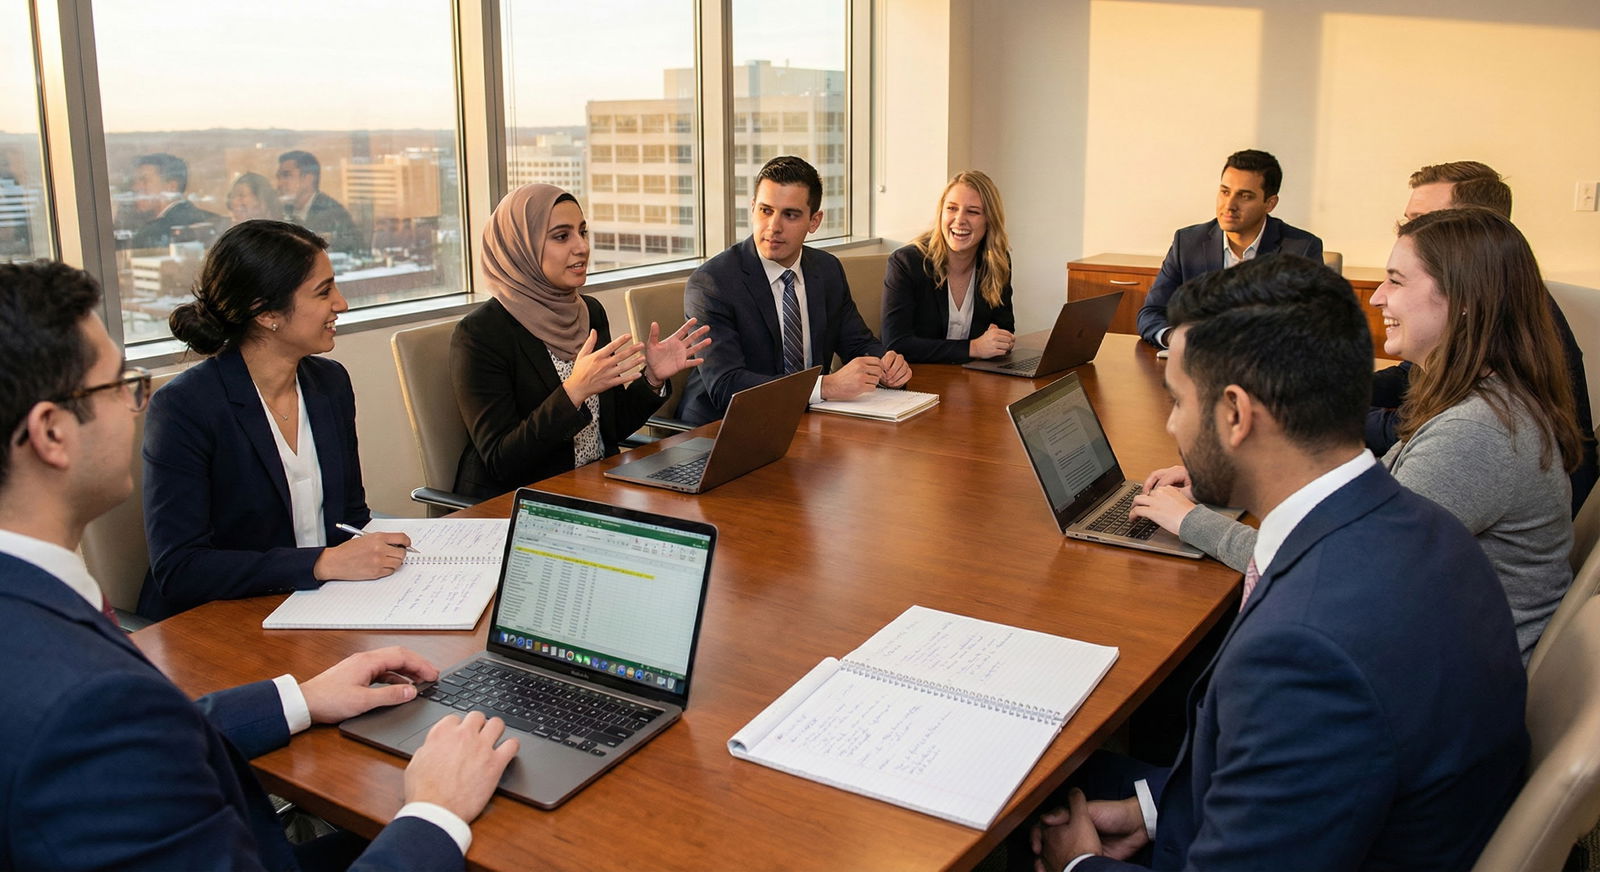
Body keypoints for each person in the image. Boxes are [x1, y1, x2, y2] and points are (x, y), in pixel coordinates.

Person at [0, 259, 516, 870]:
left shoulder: (37, 617)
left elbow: (144, 743)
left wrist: (297, 700)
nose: (137, 407)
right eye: (119, 386)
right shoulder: (87, 700)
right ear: (51, 433)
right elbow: (115, 731)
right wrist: (436, 811)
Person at [1031, 253, 1526, 872]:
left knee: (1031, 789)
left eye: (1179, 401)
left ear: (1236, 415)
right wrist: (1151, 810)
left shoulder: (1303, 653)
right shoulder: (1431, 530)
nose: (1170, 421)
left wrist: (1080, 864)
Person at [1139, 210, 1580, 662]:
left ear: (1465, 299)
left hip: (1439, 685)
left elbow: (1330, 566)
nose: (1377, 298)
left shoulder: (1475, 435)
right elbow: (1364, 500)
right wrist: (1232, 480)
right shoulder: (1482, 402)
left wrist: (1191, 521)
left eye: (1397, 281)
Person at [140, 220, 405, 619]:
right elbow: (180, 569)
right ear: (265, 313)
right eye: (324, 291)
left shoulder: (329, 383)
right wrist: (321, 564)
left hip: (323, 605)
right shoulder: (185, 408)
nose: (342, 303)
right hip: (223, 623)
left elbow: (350, 518)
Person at [451, 184, 710, 499]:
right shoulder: (481, 335)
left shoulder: (588, 312)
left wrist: (652, 377)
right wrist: (573, 392)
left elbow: (609, 429)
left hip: (594, 487)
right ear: (522, 248)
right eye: (562, 236)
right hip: (521, 502)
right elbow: (501, 461)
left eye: (583, 233)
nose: (582, 247)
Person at [1370, 160, 1595, 516]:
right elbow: (1410, 383)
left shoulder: (1479, 428)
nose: (1406, 233)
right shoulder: (1488, 340)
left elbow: (1366, 548)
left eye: (1423, 221)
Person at [680, 155, 911, 425]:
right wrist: (823, 387)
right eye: (766, 211)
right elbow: (726, 384)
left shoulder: (826, 269)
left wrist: (885, 363)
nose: (774, 227)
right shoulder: (713, 283)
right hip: (723, 428)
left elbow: (857, 343)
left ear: (814, 221)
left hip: (807, 422)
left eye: (790, 215)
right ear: (753, 208)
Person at [1135, 149, 1323, 348]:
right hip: (1198, 366)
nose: (1230, 205)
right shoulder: (1188, 242)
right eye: (1225, 192)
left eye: (1245, 196)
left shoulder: (1300, 248)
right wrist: (1176, 339)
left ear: (1269, 203)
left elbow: (1311, 326)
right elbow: (1151, 313)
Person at [880, 170, 1016, 363]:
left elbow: (1005, 328)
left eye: (973, 211)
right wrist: (974, 348)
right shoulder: (906, 263)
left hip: (972, 379)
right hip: (915, 381)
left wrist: (1001, 341)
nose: (959, 219)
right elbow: (895, 344)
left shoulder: (997, 262)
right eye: (951, 208)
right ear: (941, 214)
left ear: (989, 220)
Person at [127, 153, 223, 250]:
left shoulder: (152, 233)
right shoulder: (214, 221)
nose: (135, 187)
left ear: (171, 187)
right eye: (135, 182)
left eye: (144, 181)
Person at [277, 149, 365, 255]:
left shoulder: (332, 213)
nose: (280, 184)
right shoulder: (284, 210)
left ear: (308, 179)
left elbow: (355, 250)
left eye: (287, 175)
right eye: (279, 177)